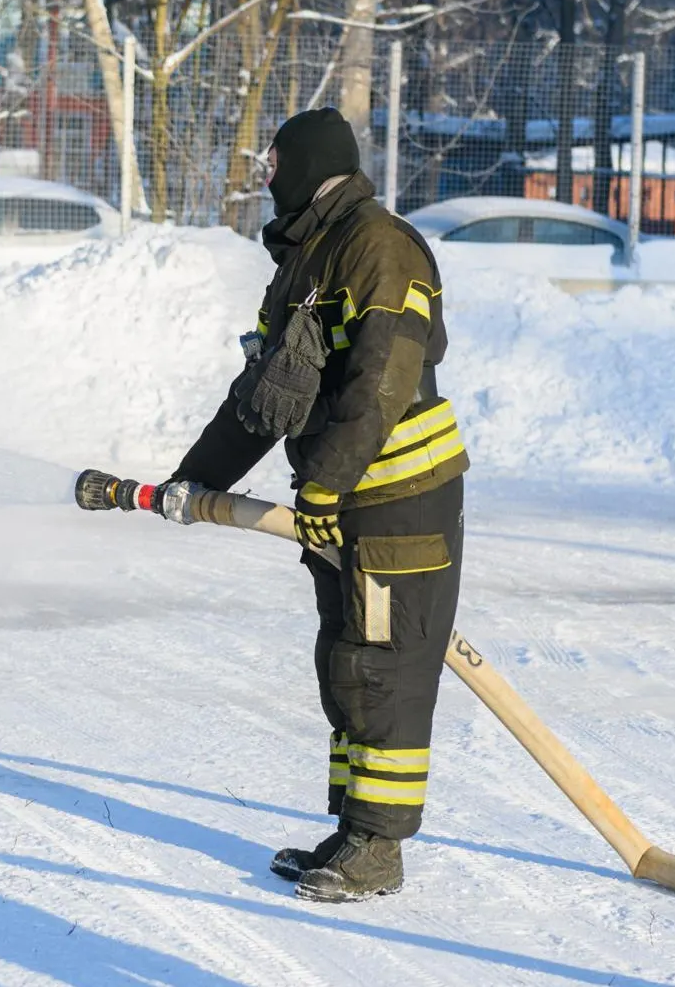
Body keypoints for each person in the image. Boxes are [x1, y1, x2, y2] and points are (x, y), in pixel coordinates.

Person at [158, 108, 468, 902]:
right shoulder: (307, 258)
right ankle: (352, 828)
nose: (264, 174)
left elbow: (383, 381)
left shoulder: (379, 246)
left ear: (308, 163)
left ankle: (380, 849)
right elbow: (264, 397)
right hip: (341, 502)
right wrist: (196, 481)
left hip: (399, 499)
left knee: (384, 669)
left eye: (273, 159)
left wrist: (327, 481)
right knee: (346, 664)